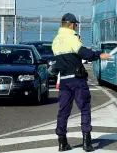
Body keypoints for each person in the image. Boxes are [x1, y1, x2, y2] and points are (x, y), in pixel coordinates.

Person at [49, 13, 110, 152]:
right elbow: (84, 54)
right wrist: (99, 54)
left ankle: (62, 142)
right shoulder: (72, 38)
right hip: (77, 80)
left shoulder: (56, 40)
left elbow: (61, 60)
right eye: (75, 24)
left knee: (63, 111)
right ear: (71, 24)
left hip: (64, 81)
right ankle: (86, 143)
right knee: (85, 108)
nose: (76, 27)